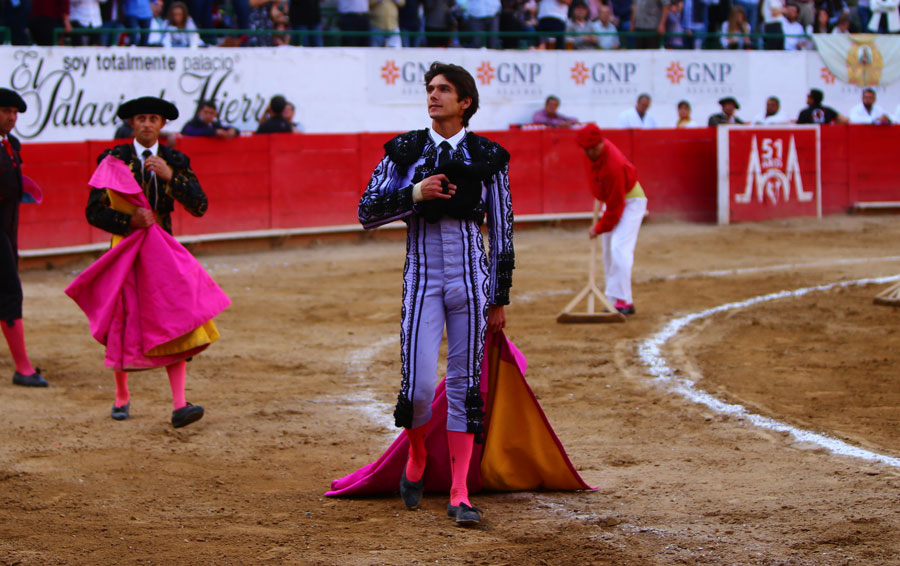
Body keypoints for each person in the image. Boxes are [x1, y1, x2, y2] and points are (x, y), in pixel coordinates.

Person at [357, 62, 514, 526]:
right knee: (420, 385)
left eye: (444, 89)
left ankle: (460, 491)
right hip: (423, 278)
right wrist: (415, 194)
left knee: (467, 385)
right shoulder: (404, 153)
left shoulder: (488, 157)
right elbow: (365, 211)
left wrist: (499, 297)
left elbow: (503, 231)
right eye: (430, 88)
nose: (433, 95)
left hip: (471, 279)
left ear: (465, 102)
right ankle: (419, 455)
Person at [85, 96, 211, 427]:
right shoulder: (113, 159)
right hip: (124, 250)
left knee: (174, 319)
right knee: (122, 322)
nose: (146, 124)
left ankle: (180, 404)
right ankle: (121, 397)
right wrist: (129, 223)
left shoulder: (174, 159)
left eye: (153, 118)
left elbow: (199, 205)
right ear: (131, 123)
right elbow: (93, 211)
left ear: (162, 125)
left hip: (162, 252)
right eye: (141, 118)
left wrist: (172, 177)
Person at [0, 89, 49, 388]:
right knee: (9, 292)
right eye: (6, 111)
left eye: (15, 113)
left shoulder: (11, 145)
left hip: (7, 229)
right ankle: (23, 368)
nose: (12, 117)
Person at [575, 123, 646, 316]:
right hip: (614, 200)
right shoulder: (593, 155)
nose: (590, 152)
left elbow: (616, 208)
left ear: (600, 143)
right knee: (608, 251)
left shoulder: (614, 165)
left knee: (619, 248)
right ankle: (617, 300)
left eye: (593, 148)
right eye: (586, 149)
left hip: (631, 201)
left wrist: (598, 227)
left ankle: (623, 300)